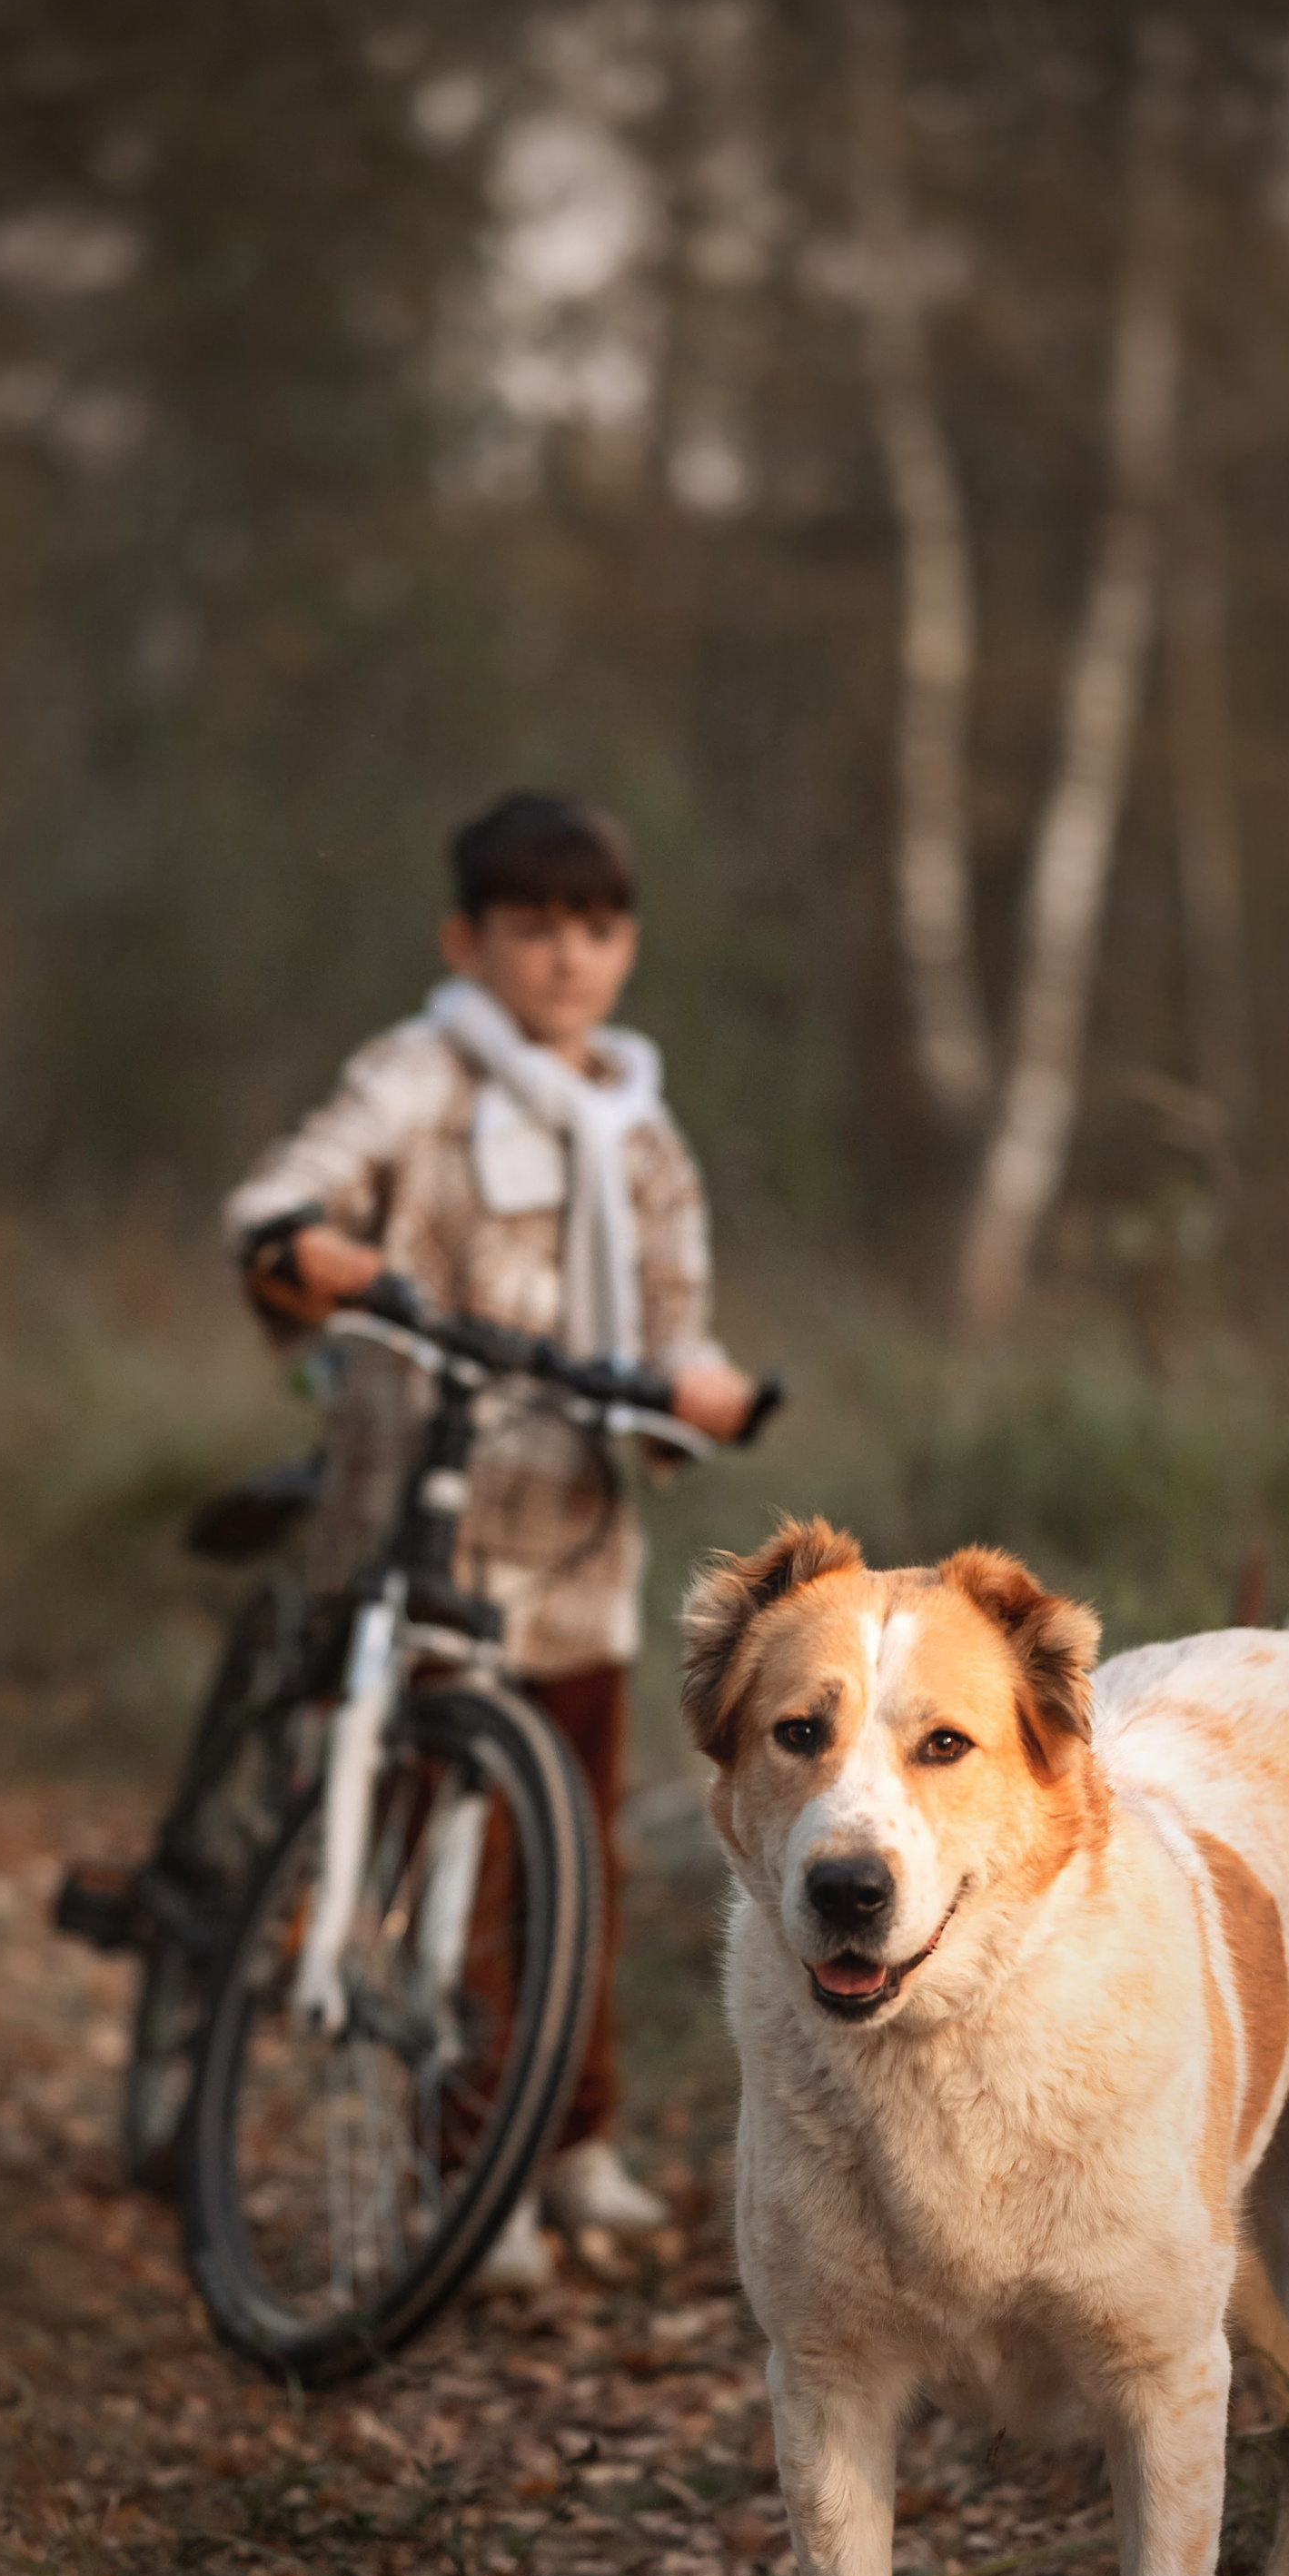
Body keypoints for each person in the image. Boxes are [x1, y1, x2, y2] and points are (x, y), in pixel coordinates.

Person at [223, 790, 758, 2291]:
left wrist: (694, 1392)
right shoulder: (422, 1081)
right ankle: (471, 2165)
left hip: (574, 1559)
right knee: (442, 1854)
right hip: (417, 1531)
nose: (567, 958)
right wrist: (301, 1237)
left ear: (628, 946)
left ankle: (568, 2129)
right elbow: (294, 1185)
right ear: (470, 941)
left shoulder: (641, 1136)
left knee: (572, 1846)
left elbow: (674, 1322)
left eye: (595, 928)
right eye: (532, 927)